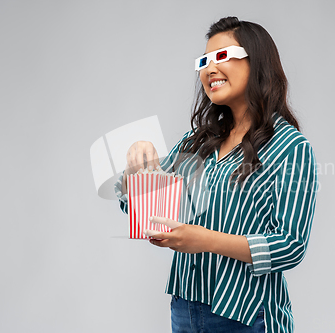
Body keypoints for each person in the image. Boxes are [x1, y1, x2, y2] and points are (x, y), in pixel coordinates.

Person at [114, 16, 318, 333]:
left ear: (258, 62)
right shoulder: (197, 141)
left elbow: (290, 245)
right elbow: (143, 209)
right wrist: (137, 164)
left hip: (247, 315)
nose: (209, 69)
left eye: (223, 56)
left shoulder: (291, 147)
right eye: (204, 60)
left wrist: (205, 240)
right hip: (185, 310)